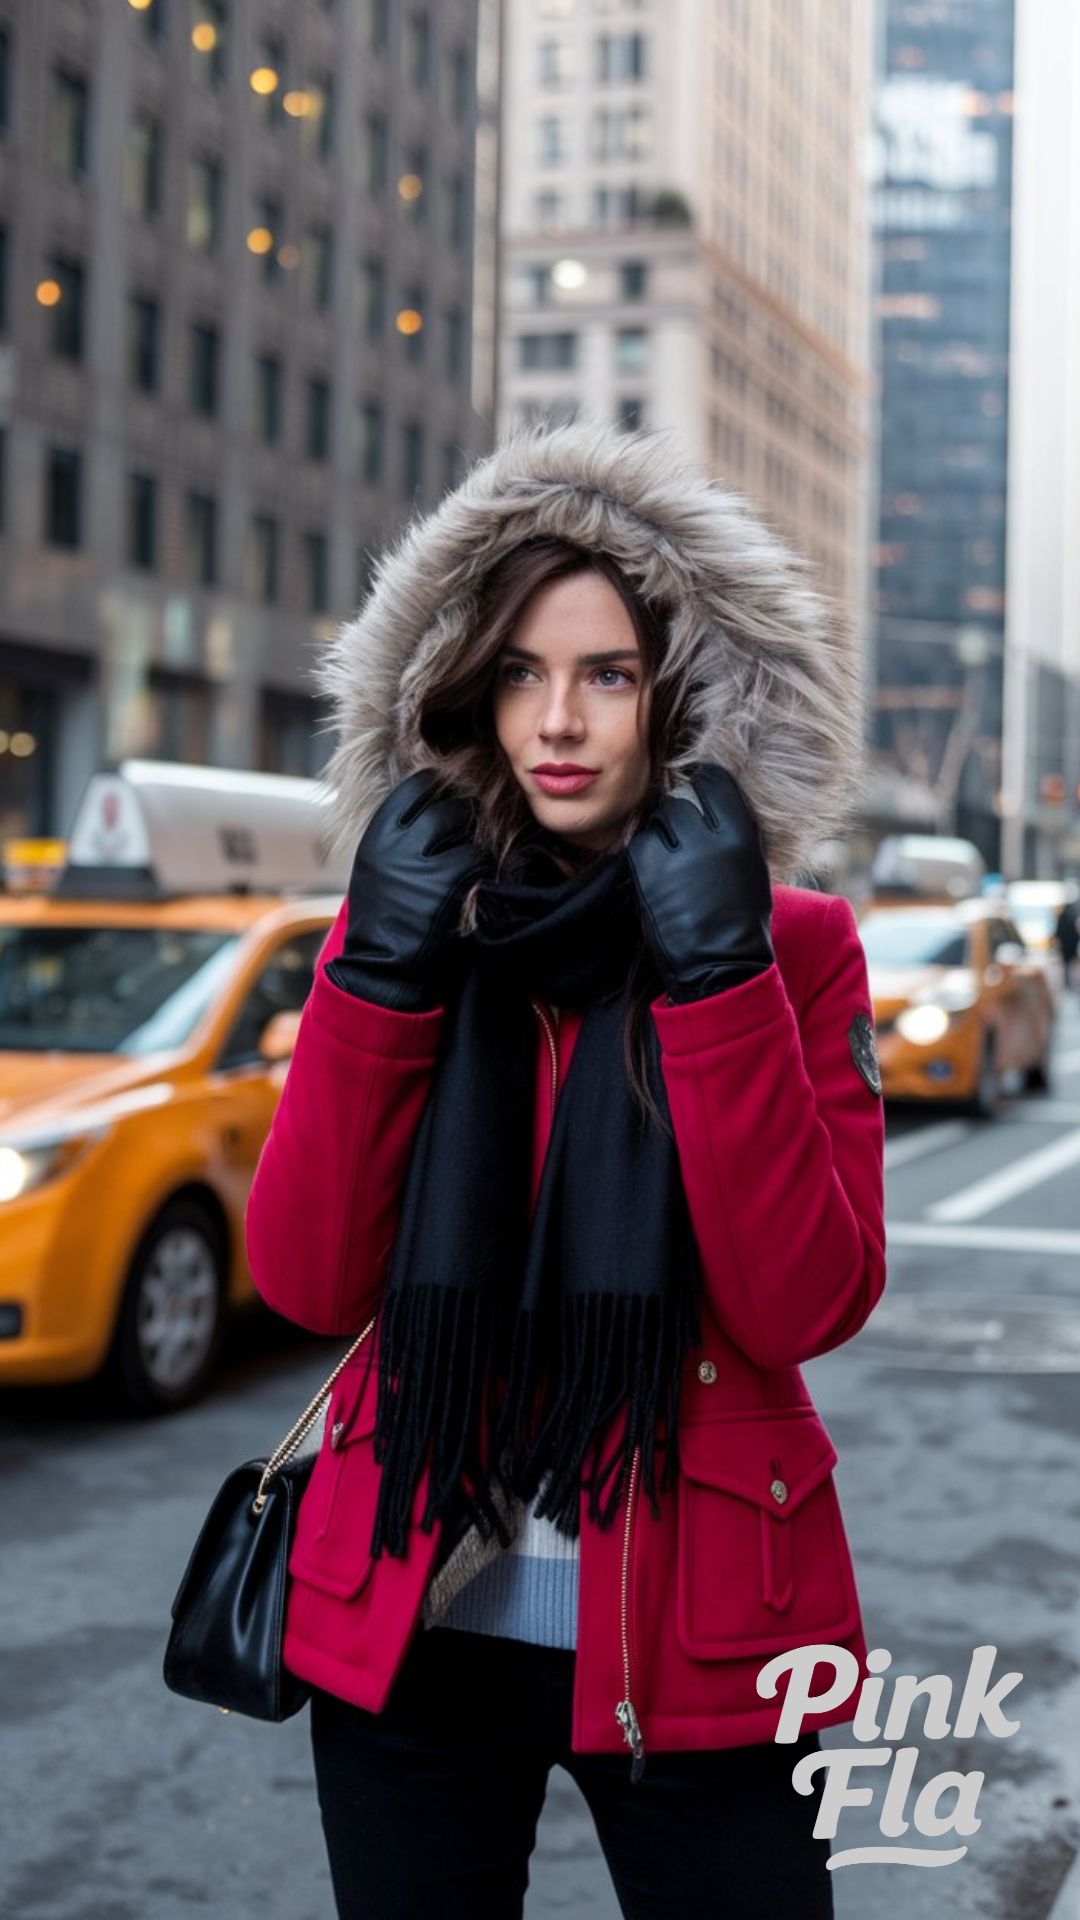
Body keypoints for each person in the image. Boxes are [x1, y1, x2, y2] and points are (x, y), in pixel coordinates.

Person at [245, 416, 887, 1919]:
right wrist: (383, 982)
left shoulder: (790, 946)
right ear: (465, 690)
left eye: (608, 674)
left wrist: (716, 975)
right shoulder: (407, 926)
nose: (560, 720)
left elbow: (803, 1301)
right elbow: (308, 1275)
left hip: (704, 1629)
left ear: (681, 700)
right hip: (411, 1611)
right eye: (523, 671)